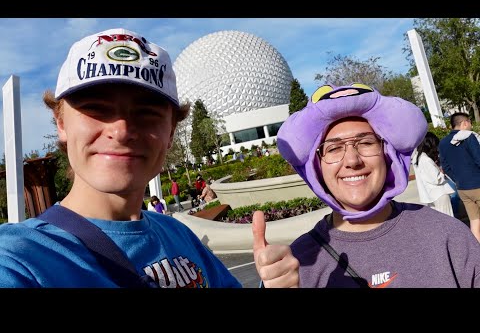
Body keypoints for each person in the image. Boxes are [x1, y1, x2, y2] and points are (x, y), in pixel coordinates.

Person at [0, 28, 298, 288]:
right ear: (61, 122)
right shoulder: (23, 259)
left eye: (146, 113)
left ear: (171, 132)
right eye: (97, 108)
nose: (121, 131)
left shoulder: (180, 235)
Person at [277, 83, 480, 288]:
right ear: (317, 166)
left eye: (366, 143)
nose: (352, 160)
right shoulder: (297, 265)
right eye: (334, 148)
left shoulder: (448, 236)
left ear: (387, 154)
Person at [439, 112, 480, 242]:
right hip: (477, 184)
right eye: (469, 123)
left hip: (462, 188)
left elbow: (445, 167)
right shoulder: (468, 137)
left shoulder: (443, 142)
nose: (471, 126)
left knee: (474, 221)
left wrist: (457, 178)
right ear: (464, 123)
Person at [411, 132, 455, 216]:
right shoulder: (425, 159)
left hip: (430, 195)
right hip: (439, 194)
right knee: (448, 218)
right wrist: (442, 171)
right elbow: (436, 179)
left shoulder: (417, 158)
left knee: (440, 220)